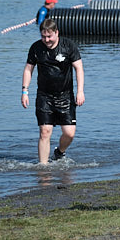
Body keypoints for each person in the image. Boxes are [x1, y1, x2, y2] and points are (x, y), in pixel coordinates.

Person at [21, 18, 85, 164]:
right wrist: (25, 91)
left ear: (57, 33)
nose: (46, 40)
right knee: (45, 132)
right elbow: (28, 69)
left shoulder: (68, 46)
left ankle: (59, 152)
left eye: (49, 36)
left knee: (69, 134)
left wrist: (80, 91)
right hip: (44, 96)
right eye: (43, 36)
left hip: (66, 96)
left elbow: (79, 68)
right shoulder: (36, 48)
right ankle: (43, 168)